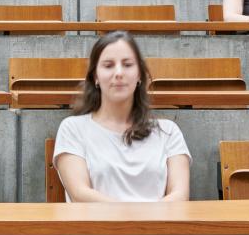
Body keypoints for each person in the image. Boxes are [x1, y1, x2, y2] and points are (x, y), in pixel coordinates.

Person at [53, 31, 191, 202]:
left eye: (127, 64)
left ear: (139, 74)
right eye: (108, 65)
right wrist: (137, 214)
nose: (118, 73)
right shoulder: (73, 129)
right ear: (95, 76)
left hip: (159, 220)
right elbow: (80, 194)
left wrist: (142, 218)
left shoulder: (168, 131)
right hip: (98, 221)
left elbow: (180, 195)